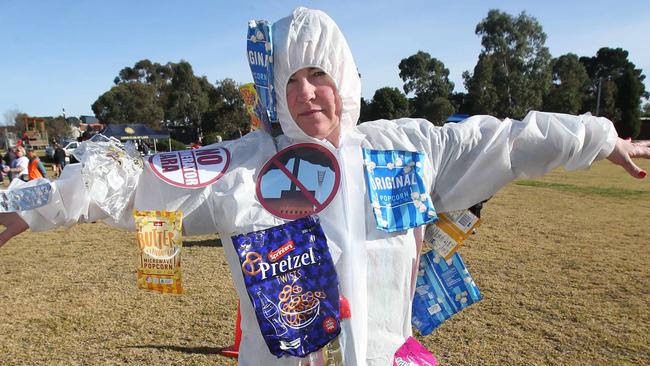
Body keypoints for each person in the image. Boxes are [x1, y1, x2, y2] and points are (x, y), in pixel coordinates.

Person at [0, 7, 648, 365]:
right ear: (274, 92)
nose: (308, 92)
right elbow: (134, 182)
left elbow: (502, 139)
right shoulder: (243, 166)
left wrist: (599, 137)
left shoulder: (406, 149)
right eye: (291, 79)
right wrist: (31, 207)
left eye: (320, 74)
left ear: (345, 78)